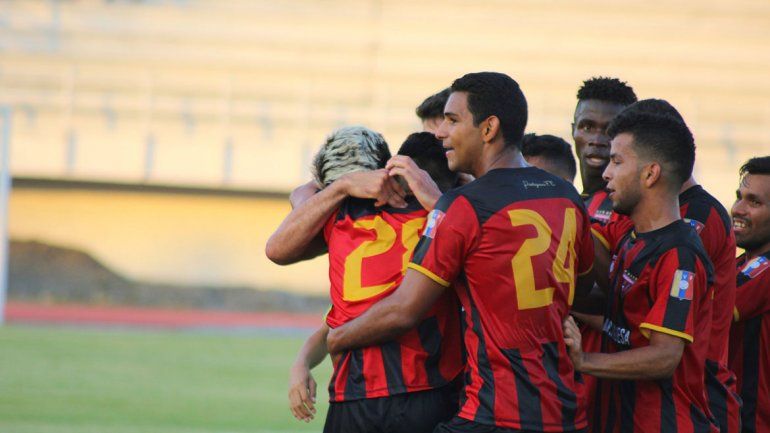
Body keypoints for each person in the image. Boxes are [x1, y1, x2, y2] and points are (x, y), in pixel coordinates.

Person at [327, 72, 596, 433]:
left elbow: (403, 310)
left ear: (488, 129)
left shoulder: (463, 206)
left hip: (494, 413)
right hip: (565, 411)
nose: (440, 132)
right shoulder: (564, 195)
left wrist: (337, 337)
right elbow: (584, 285)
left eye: (452, 120)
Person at [268, 129, 464, 433]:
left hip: (356, 393)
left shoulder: (343, 213)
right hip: (429, 392)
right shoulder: (451, 220)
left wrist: (343, 186)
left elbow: (295, 210)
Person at [564, 110, 719, 433]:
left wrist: (584, 361)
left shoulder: (679, 255)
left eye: (617, 162)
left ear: (650, 174)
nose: (606, 173)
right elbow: (621, 323)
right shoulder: (632, 240)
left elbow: (664, 357)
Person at [625, 99, 740, 433]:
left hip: (699, 394)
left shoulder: (693, 223)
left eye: (621, 158)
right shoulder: (645, 220)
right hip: (652, 399)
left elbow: (645, 301)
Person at [729, 156, 770, 433]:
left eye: (754, 202)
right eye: (739, 197)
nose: (738, 209)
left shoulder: (764, 270)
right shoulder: (740, 264)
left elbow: (702, 313)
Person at [572, 77, 637, 225]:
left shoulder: (633, 209)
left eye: (610, 130)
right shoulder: (566, 200)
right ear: (573, 130)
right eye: (587, 127)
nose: (597, 140)